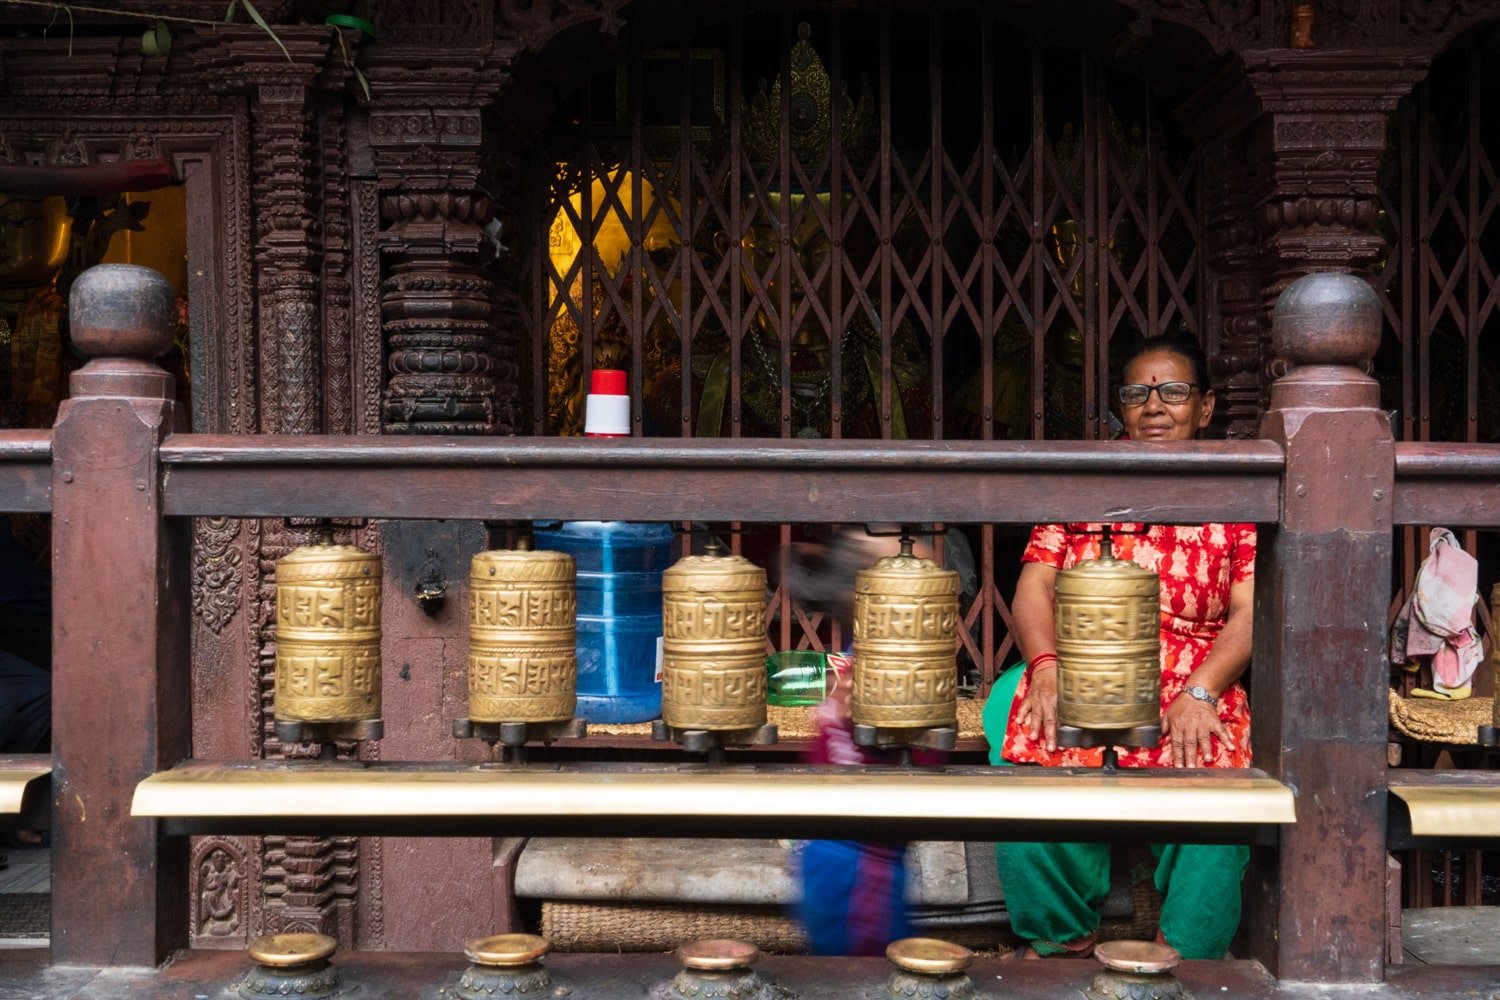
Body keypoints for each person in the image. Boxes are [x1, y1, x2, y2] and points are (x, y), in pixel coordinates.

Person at [985, 331, 1255, 960]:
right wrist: (1046, 669)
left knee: (1221, 772)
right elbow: (1032, 590)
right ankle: (1060, 936)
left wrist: (1201, 691)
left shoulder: (1238, 491)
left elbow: (1249, 613)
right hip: (1086, 663)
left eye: (1174, 391)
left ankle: (1184, 951)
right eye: (1138, 393)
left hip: (1194, 667)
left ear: (1207, 407)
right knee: (1019, 717)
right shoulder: (1085, 481)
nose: (1154, 405)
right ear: (1121, 409)